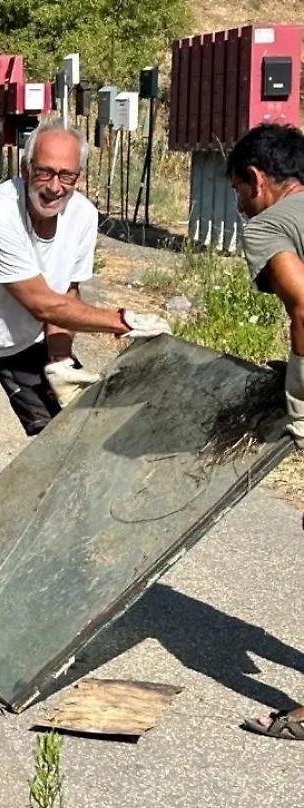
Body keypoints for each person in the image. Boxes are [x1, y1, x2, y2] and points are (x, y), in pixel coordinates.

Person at [0, 119, 170, 520]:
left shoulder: (83, 216)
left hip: (26, 336)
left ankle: (60, 529)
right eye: (45, 172)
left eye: (66, 175)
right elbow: (43, 304)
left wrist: (60, 360)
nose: (54, 186)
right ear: (24, 169)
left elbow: (66, 291)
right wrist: (123, 320)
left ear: (79, 177)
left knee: (76, 434)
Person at [224, 122, 304, 740]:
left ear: (256, 180)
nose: (241, 204)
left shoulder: (270, 223)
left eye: (238, 190)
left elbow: (303, 305)